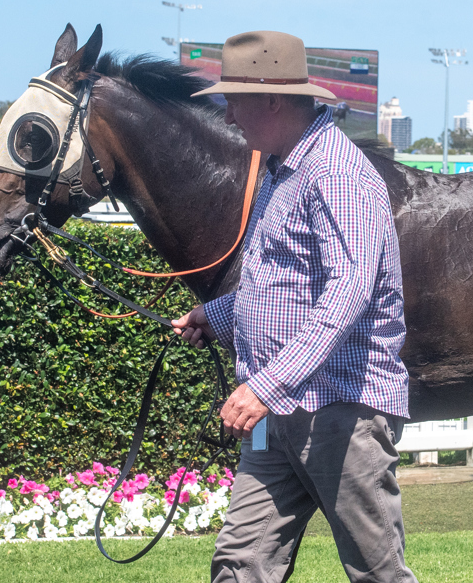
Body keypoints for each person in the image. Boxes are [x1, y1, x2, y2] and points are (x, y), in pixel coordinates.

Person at [171, 31, 417, 583]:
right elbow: (283, 285)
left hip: (339, 411)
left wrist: (266, 386)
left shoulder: (336, 173)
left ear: (272, 100)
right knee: (240, 563)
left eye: (234, 102)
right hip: (279, 412)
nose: (228, 117)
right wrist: (218, 315)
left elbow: (349, 289)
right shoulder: (282, 169)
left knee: (378, 573)